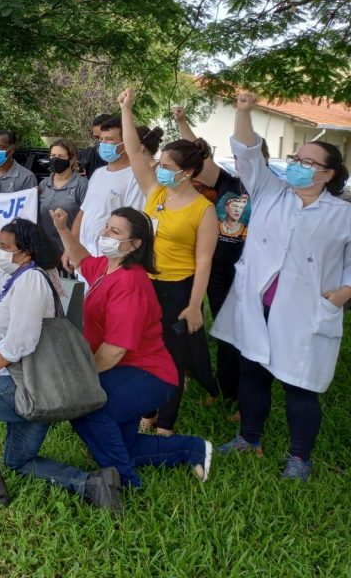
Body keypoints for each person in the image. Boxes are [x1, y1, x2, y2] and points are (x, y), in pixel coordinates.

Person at [0, 216, 125, 511]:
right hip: (38, 383)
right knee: (18, 461)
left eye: (5, 246)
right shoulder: (21, 276)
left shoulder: (31, 280)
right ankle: (92, 484)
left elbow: (21, 341)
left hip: (30, 384)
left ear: (25, 252)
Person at [214, 92, 351, 481]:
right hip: (258, 303)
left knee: (300, 384)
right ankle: (248, 438)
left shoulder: (343, 215)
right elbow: (248, 152)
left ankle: (299, 459)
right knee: (253, 373)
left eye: (308, 162)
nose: (297, 167)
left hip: (306, 311)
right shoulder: (270, 192)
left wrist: (344, 291)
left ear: (327, 173)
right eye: (295, 159)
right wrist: (244, 112)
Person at [52, 206, 213, 489]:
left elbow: (115, 349)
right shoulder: (105, 266)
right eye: (107, 227)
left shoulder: (131, 283)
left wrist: (84, 379)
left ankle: (124, 483)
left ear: (135, 244)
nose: (105, 234)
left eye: (115, 231)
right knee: (122, 445)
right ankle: (192, 449)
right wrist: (63, 228)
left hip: (147, 373)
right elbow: (80, 259)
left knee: (88, 409)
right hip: (124, 370)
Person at [119, 89, 218, 435]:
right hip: (144, 283)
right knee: (145, 349)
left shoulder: (203, 210)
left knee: (172, 357)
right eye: (159, 164)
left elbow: (204, 262)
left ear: (188, 172)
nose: (158, 170)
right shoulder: (157, 193)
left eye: (167, 167)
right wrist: (126, 109)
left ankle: (168, 423)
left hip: (179, 289)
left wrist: (194, 307)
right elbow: (132, 151)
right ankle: (148, 413)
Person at [172, 106, 268, 408]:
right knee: (221, 332)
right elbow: (199, 155)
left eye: (247, 157)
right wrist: (183, 123)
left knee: (241, 333)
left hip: (251, 272)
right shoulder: (228, 183)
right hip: (217, 269)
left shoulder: (271, 190)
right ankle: (220, 389)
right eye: (238, 157)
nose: (241, 162)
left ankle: (238, 396)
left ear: (261, 159)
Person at [72, 116, 158, 266]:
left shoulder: (135, 178)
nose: (102, 144)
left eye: (109, 139)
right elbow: (83, 213)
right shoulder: (98, 173)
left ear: (126, 143)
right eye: (101, 139)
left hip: (110, 260)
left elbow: (132, 224)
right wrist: (72, 247)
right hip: (85, 257)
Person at [37, 139, 88, 263]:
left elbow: (86, 219)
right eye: (53, 156)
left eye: (60, 156)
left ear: (71, 160)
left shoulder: (82, 185)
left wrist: (71, 248)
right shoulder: (43, 185)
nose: (55, 159)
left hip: (71, 251)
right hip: (46, 251)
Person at [81, 113, 114, 178]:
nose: (101, 141)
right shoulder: (86, 157)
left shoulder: (130, 160)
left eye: (107, 138)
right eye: (97, 137)